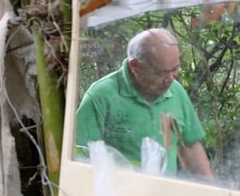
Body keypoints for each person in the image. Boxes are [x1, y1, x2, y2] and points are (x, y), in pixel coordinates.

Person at [74, 28, 213, 179]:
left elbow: (190, 146)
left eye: (175, 69)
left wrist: (210, 189)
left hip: (165, 194)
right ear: (135, 66)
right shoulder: (101, 95)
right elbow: (79, 157)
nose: (170, 79)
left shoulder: (176, 92)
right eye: (160, 73)